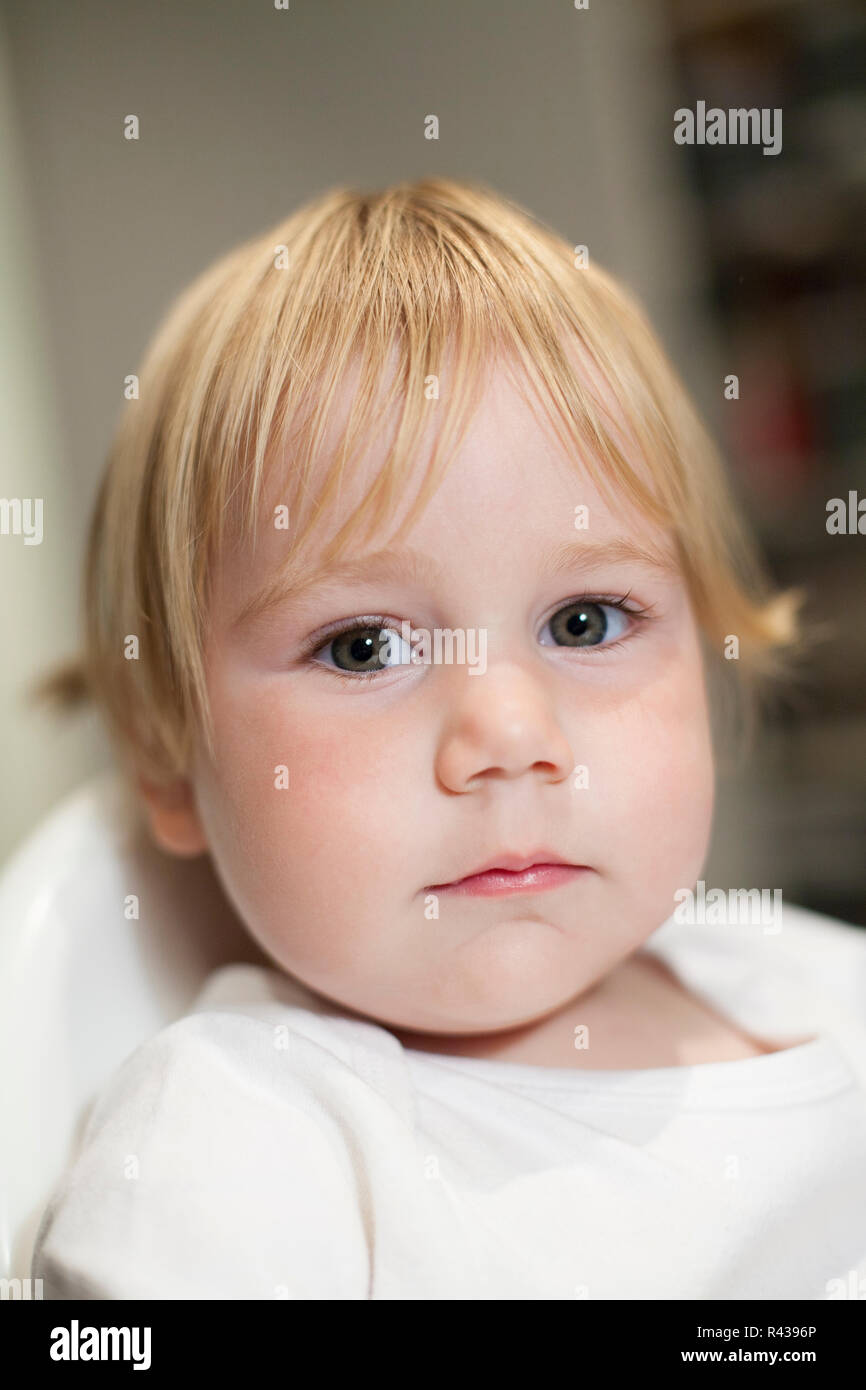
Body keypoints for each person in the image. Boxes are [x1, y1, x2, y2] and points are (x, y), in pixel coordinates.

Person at [29, 177, 866, 1299]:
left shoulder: (793, 975)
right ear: (168, 758)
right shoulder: (249, 1138)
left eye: (584, 621)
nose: (511, 734)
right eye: (364, 647)